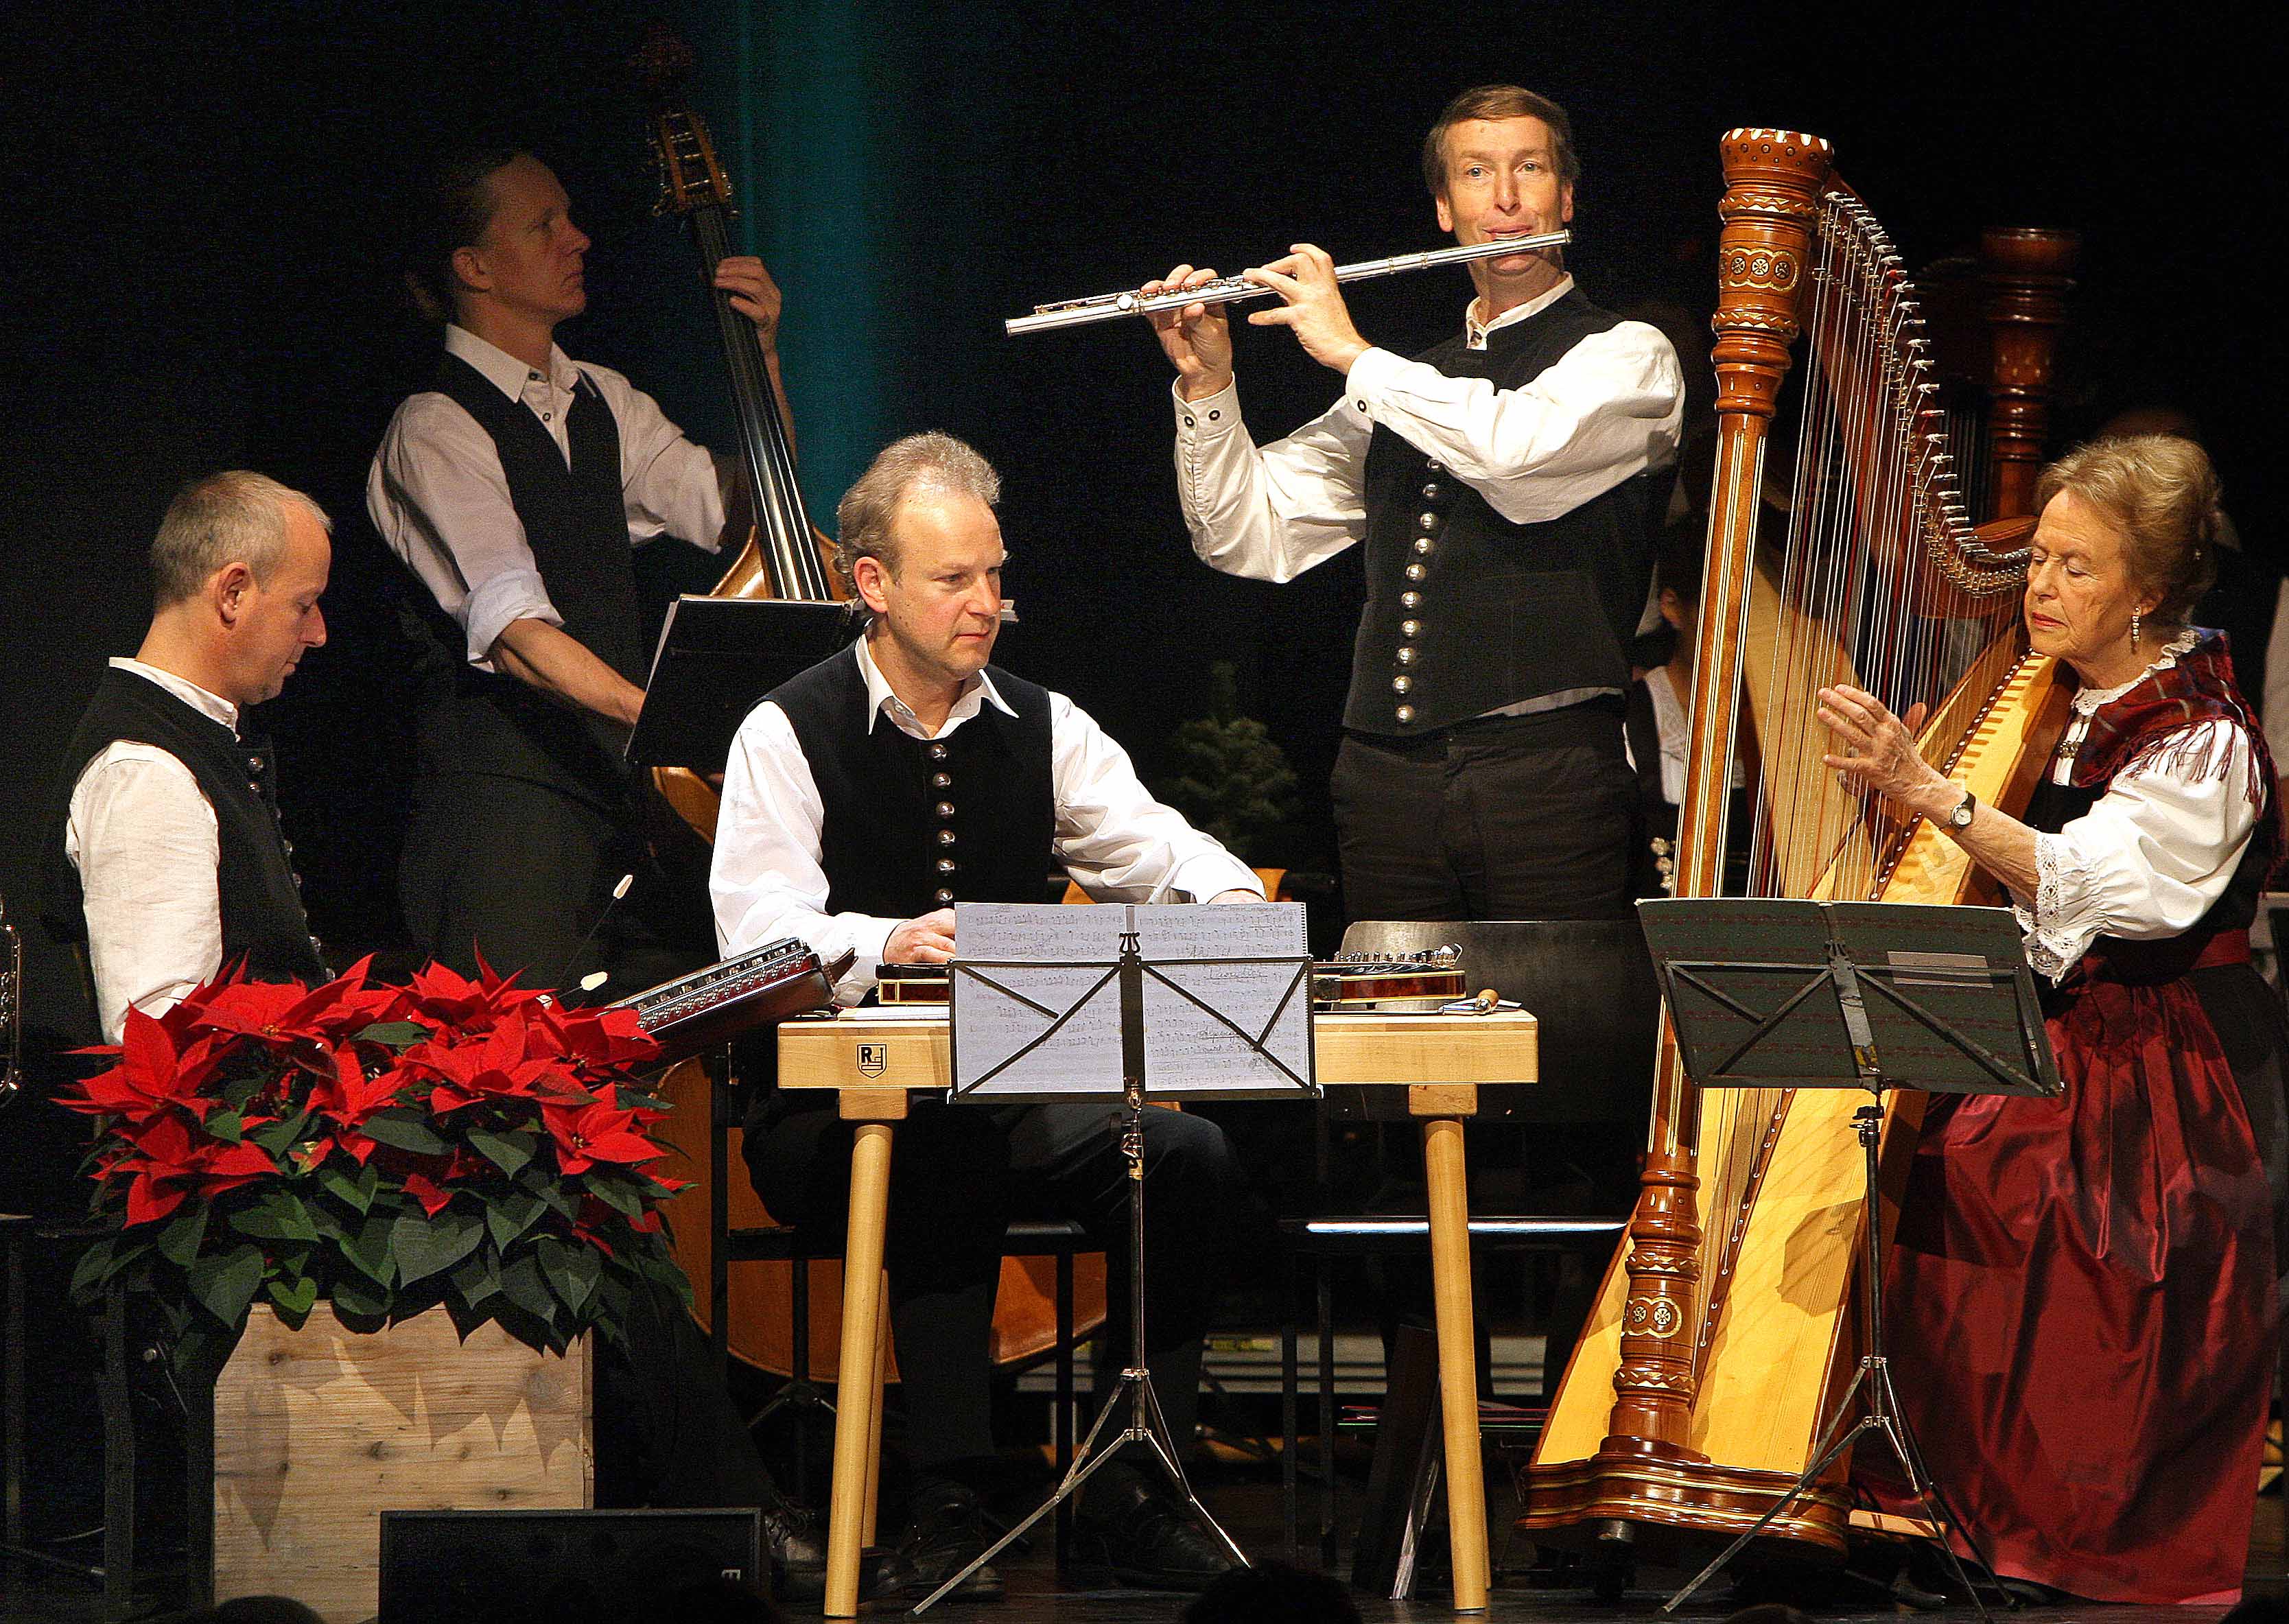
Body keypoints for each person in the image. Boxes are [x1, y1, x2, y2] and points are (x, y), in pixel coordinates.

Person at [711, 432, 1264, 1597]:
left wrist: (1223, 905)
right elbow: (754, 935)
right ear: (872, 584)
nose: (987, 605)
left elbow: (1158, 845)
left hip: (997, 1099)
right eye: (954, 579)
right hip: (823, 1115)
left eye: (996, 576)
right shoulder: (785, 727)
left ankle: (1130, 1480)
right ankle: (950, 1498)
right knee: (943, 1147)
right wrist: (883, 940)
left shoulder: (1042, 722)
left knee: (1187, 1155)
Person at [1817, 435, 2284, 1603]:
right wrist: (1902, 796)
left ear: (2150, 592)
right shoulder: (2047, 696)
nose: (2042, 588)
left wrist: (1932, 791)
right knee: (1932, 1185)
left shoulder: (2201, 732)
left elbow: (2107, 888)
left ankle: (2050, 1535)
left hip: (2163, 1058)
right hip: (2047, 1026)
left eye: (2078, 568)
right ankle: (1941, 1512)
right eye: (2037, 561)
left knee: (2040, 1215)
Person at [1149, 84, 1683, 922]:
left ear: (1565, 197)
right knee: (1396, 1044)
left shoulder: (1627, 357)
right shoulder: (1406, 383)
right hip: (1383, 784)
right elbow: (1245, 536)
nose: (1505, 199)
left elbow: (1516, 457)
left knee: (1555, 1038)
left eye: (1528, 169)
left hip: (1544, 778)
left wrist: (1354, 353)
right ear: (1446, 208)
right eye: (1476, 174)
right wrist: (1208, 387)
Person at [368, 145, 785, 991]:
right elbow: (517, 634)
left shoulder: (601, 397)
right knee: (518, 1097)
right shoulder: (435, 428)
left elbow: (742, 520)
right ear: (474, 267)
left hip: (624, 809)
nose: (579, 239)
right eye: (545, 225)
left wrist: (763, 360)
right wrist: (672, 727)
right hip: (508, 825)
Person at [43, 471, 331, 1042]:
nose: (318, 633)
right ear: (233, 592)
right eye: (304, 604)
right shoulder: (148, 770)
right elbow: (157, 1036)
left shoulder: (195, 740)